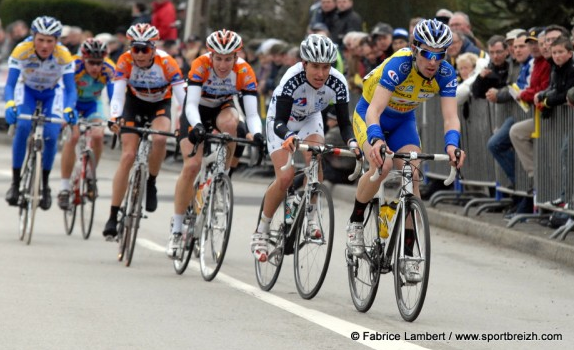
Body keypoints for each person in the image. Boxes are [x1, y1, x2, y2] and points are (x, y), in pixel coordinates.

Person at [345, 19, 466, 282]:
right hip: (370, 115)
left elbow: (450, 118)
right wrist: (376, 140)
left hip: (403, 121)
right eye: (427, 53)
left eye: (440, 55)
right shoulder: (399, 65)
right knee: (383, 165)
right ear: (415, 49)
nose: (433, 61)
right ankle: (355, 221)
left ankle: (409, 255)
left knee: (413, 176)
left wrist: (453, 145)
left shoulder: (446, 74)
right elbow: (374, 111)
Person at [251, 34, 359, 262]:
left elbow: (344, 123)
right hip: (282, 123)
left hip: (310, 119)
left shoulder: (337, 82)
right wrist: (289, 136)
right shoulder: (291, 79)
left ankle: (311, 218)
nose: (321, 74)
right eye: (316, 67)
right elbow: (279, 120)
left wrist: (353, 143)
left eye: (326, 67)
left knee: (315, 157)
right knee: (285, 177)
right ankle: (262, 229)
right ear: (304, 64)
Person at [166, 29, 264, 258]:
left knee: (233, 124)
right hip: (196, 111)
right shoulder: (200, 64)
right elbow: (190, 104)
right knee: (191, 166)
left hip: (221, 108)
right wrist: (197, 126)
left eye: (228, 59)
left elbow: (251, 113)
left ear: (236, 56)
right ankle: (177, 228)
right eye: (218, 58)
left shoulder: (243, 70)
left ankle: (222, 173)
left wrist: (258, 134)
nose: (222, 64)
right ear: (211, 56)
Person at [102, 23, 185, 239]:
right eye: (134, 48)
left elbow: (183, 99)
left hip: (159, 105)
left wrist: (185, 124)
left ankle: (151, 182)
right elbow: (118, 96)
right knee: (128, 155)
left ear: (154, 49)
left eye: (144, 49)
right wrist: (114, 117)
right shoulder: (125, 60)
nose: (138, 54)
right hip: (134, 104)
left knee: (159, 139)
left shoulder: (167, 63)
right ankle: (113, 214)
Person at [4, 16, 77, 210]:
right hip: (26, 90)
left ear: (57, 41)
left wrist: (69, 108)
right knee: (24, 126)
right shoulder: (21, 50)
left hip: (52, 93)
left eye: (50, 41)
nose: (45, 45)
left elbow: (70, 90)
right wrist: (10, 103)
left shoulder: (64, 55)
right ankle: (16, 183)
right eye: (40, 40)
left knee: (52, 135)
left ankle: (44, 186)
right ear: (33, 37)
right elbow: (10, 84)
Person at [57, 38, 116, 209]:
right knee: (73, 136)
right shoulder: (74, 66)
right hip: (72, 103)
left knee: (98, 135)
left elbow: (113, 97)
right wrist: (65, 114)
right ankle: (64, 188)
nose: (96, 67)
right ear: (83, 59)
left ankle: (90, 176)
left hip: (92, 104)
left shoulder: (109, 69)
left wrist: (116, 116)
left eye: (99, 63)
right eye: (91, 63)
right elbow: (64, 91)